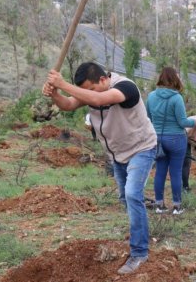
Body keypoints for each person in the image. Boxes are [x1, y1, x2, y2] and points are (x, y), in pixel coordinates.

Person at [42, 62, 156, 275]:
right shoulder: (92, 91)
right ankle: (137, 231)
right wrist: (55, 94)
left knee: (132, 195)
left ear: (103, 80)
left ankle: (139, 252)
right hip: (117, 154)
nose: (87, 94)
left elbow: (98, 99)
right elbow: (67, 104)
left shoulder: (126, 87)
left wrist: (62, 83)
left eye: (90, 89)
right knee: (125, 198)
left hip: (141, 148)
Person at [146, 67, 196, 215]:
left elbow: (148, 118)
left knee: (160, 172)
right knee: (175, 172)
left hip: (157, 139)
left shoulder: (151, 96)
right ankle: (176, 206)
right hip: (176, 139)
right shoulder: (176, 98)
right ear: (175, 79)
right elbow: (182, 122)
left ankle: (159, 205)